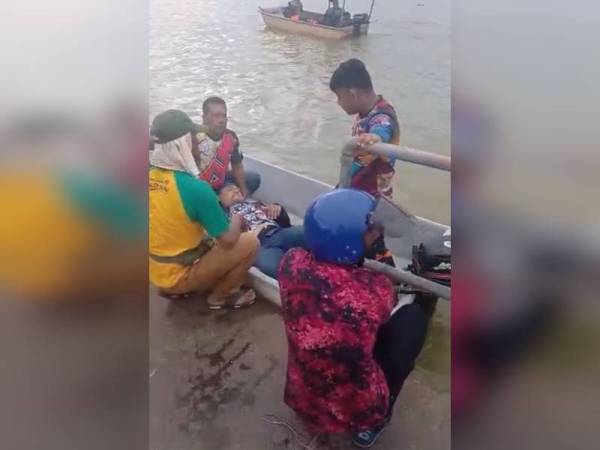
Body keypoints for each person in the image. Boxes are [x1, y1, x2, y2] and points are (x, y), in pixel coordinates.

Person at [278, 189, 429, 448]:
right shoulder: (376, 290)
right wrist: (378, 253)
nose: (377, 234)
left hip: (301, 396)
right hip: (355, 410)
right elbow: (382, 308)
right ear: (350, 242)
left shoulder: (290, 264)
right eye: (372, 232)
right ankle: (373, 424)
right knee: (413, 319)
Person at [149, 109, 259, 309]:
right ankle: (221, 296)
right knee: (250, 242)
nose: (198, 143)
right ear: (182, 144)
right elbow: (228, 241)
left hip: (155, 271)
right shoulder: (196, 188)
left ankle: (171, 287)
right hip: (178, 277)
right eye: (193, 138)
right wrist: (237, 217)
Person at [330, 58, 401, 266]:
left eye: (339, 97)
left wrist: (375, 138)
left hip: (373, 198)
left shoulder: (382, 116)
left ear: (352, 93)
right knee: (364, 242)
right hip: (356, 190)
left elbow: (382, 129)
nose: (338, 103)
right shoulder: (365, 112)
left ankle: (391, 283)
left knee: (374, 244)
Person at [218, 183, 306, 279]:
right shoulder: (221, 217)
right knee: (269, 265)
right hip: (259, 246)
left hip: (277, 233)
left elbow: (285, 224)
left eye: (238, 189)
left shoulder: (253, 203)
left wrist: (278, 209)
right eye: (230, 189)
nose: (236, 190)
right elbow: (229, 243)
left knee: (306, 233)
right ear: (219, 197)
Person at [196, 96, 261, 197]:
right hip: (199, 186)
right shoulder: (193, 138)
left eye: (224, 116)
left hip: (221, 181)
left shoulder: (231, 137)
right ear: (204, 118)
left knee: (254, 178)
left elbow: (238, 167)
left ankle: (227, 198)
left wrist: (243, 194)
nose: (222, 120)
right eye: (216, 116)